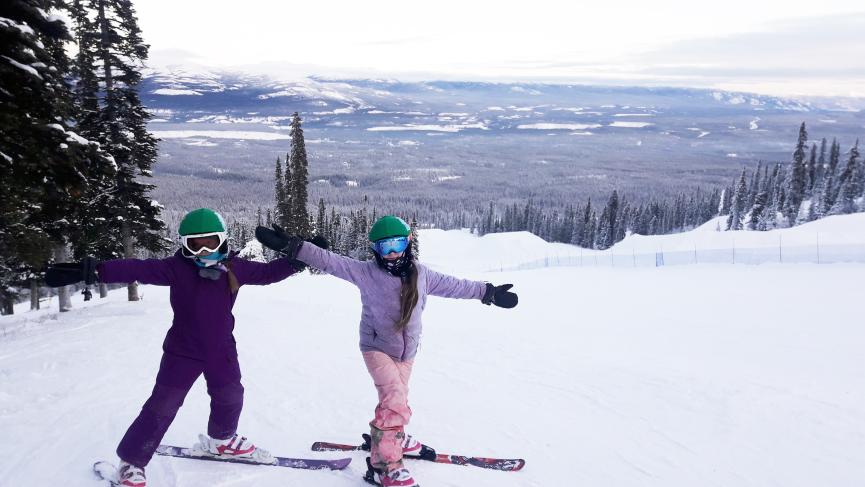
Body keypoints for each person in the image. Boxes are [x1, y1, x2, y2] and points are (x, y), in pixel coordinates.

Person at [46, 208, 312, 487]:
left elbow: (268, 273)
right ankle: (131, 462)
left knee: (231, 396)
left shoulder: (235, 267)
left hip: (221, 349)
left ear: (222, 240)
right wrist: (97, 270)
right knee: (162, 405)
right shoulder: (176, 268)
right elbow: (137, 268)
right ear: (185, 245)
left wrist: (300, 258)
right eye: (195, 244)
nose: (204, 250)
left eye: (210, 242)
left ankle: (222, 440)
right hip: (183, 351)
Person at [256, 215, 517, 487]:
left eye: (397, 244)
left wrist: (488, 292)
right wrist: (294, 246)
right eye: (384, 247)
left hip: (407, 352)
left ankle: (393, 437)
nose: (392, 253)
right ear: (375, 249)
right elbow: (330, 261)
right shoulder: (366, 273)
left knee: (396, 398)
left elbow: (456, 286)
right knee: (395, 399)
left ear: (408, 243)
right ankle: (385, 466)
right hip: (377, 347)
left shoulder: (422, 275)